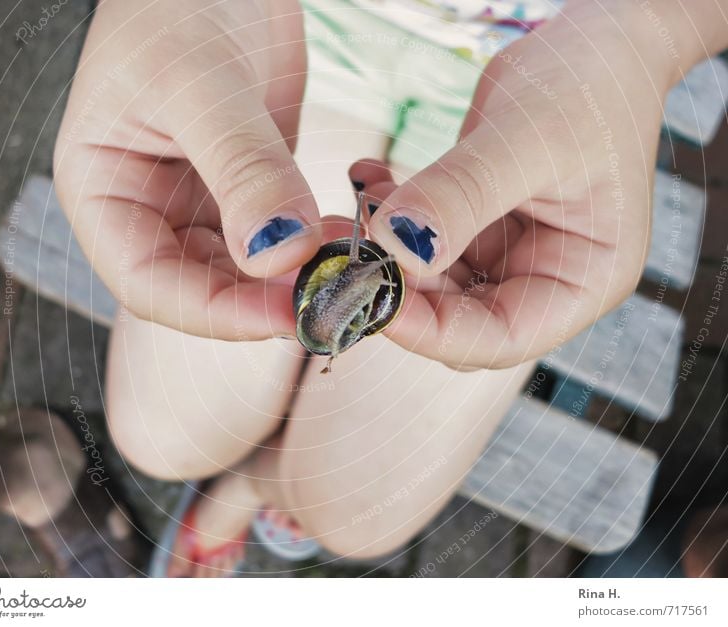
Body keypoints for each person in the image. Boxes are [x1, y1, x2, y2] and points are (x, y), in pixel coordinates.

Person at [53, 0, 728, 576]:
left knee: (353, 511)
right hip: (285, 35)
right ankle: (271, 446)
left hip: (536, 90)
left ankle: (261, 471)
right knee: (161, 436)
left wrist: (642, 38)